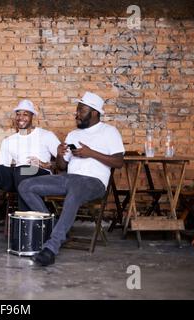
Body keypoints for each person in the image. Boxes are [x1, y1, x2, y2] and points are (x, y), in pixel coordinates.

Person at [18, 92, 125, 266]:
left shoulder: (109, 132)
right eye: (77, 110)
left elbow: (119, 162)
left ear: (95, 112)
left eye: (81, 110)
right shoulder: (73, 134)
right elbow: (61, 166)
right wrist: (60, 154)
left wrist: (90, 153)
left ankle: (51, 248)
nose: (77, 114)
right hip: (69, 178)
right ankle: (56, 227)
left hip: (93, 182)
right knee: (26, 185)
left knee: (75, 190)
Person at [0, 99, 60, 243]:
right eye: (18, 114)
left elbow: (62, 162)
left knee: (22, 170)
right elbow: (3, 167)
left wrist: (45, 164)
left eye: (25, 114)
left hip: (41, 174)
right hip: (19, 174)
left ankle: (25, 226)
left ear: (32, 117)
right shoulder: (9, 141)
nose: (21, 118)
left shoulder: (46, 135)